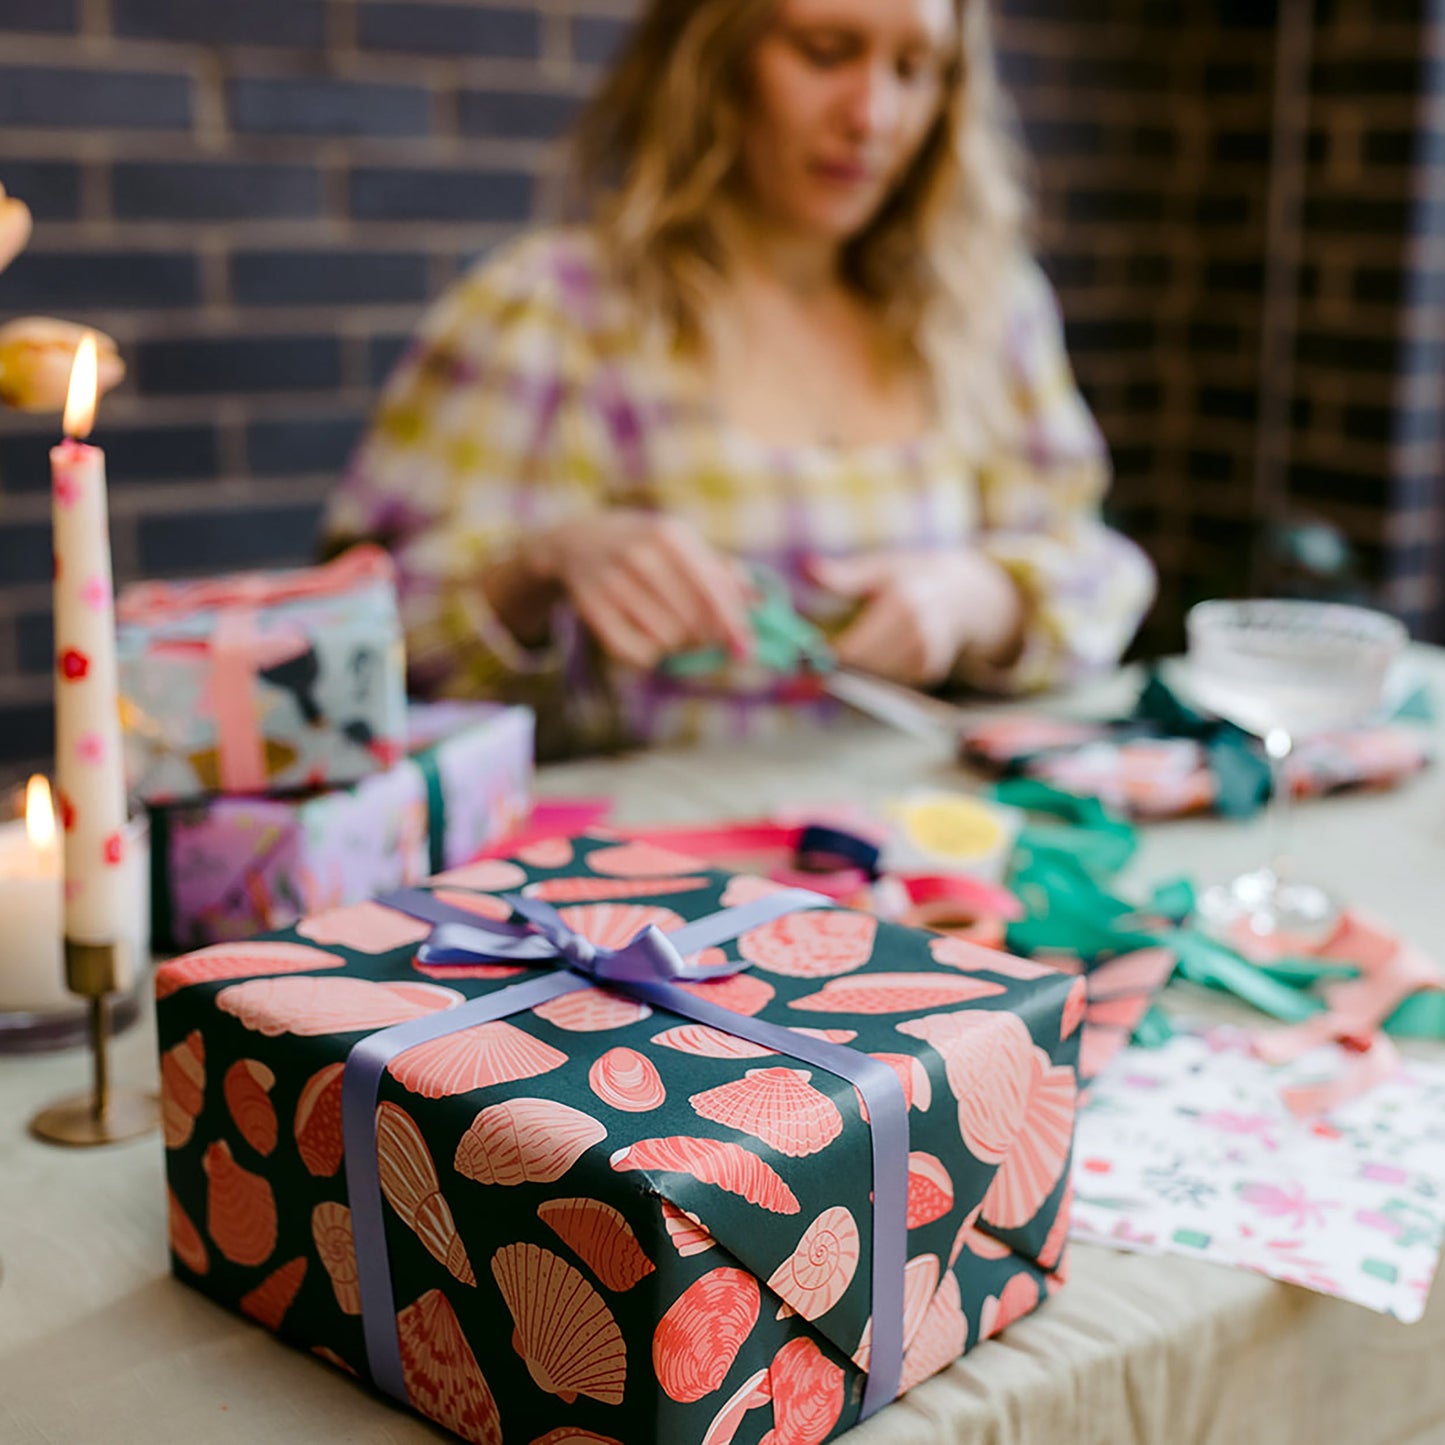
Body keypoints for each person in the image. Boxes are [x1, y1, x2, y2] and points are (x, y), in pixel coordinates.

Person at [322, 0, 1155, 757]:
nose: (872, 117)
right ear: (715, 57)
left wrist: (979, 596)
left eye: (913, 69)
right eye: (826, 52)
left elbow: (1100, 567)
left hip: (916, 857)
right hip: (642, 882)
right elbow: (353, 654)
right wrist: (539, 564)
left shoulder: (983, 308)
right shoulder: (552, 310)